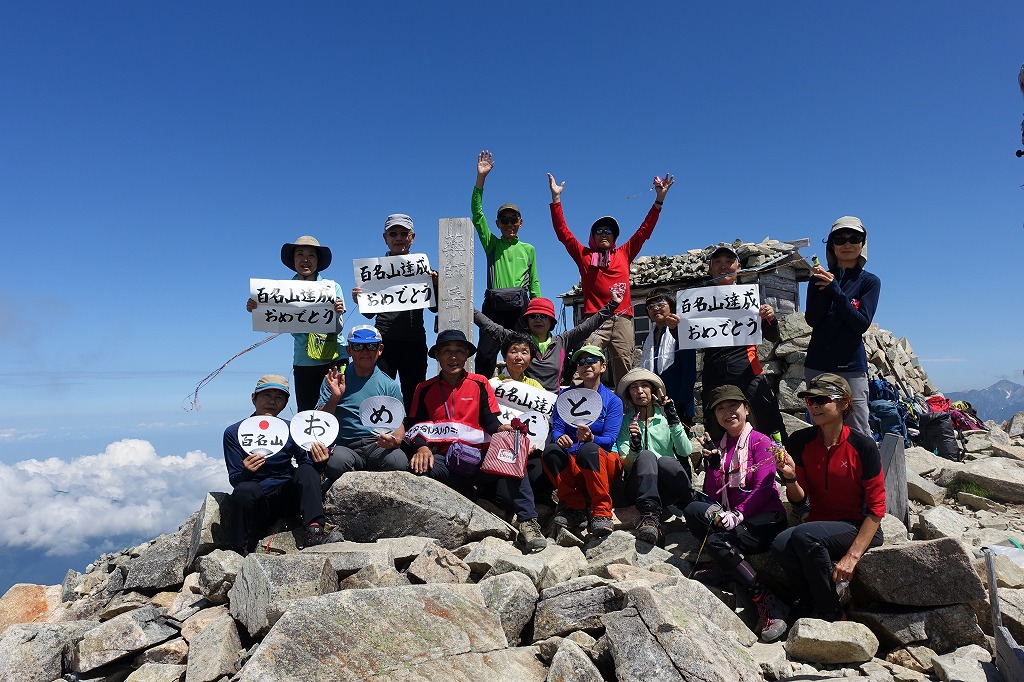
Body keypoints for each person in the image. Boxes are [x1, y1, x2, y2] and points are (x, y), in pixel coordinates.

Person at [402, 330, 546, 551]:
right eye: (447, 352)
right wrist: (422, 447)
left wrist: (501, 429)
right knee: (415, 467)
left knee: (512, 452)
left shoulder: (479, 383)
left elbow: (489, 418)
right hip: (443, 463)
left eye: (459, 351)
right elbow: (415, 426)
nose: (453, 357)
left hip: (479, 461)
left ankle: (527, 521)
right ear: (437, 356)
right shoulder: (424, 389)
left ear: (467, 355)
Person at [771, 373, 886, 622]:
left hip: (858, 526)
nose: (813, 406)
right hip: (819, 524)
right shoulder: (801, 441)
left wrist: (852, 556)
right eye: (810, 400)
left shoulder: (863, 446)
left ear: (844, 403)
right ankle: (808, 601)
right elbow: (800, 500)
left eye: (822, 400)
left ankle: (830, 610)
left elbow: (876, 508)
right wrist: (790, 478)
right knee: (780, 544)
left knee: (804, 535)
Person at [682, 385, 789, 643]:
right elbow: (715, 494)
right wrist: (713, 467)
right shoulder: (722, 447)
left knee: (718, 541)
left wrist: (739, 514)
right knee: (694, 510)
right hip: (736, 517)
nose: (727, 412)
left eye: (733, 406)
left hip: (765, 518)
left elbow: (765, 487)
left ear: (746, 409)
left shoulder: (762, 442)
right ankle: (725, 566)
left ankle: (766, 600)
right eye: (720, 408)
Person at [548, 171, 675, 388]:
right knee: (585, 362)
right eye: (599, 231)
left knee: (624, 367)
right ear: (593, 236)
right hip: (595, 319)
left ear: (615, 237)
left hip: (623, 318)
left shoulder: (624, 253)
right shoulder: (585, 256)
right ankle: (577, 406)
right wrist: (556, 200)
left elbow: (645, 231)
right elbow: (563, 234)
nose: (604, 234)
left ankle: (626, 412)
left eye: (609, 231)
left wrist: (659, 199)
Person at [223, 375, 341, 554]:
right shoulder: (234, 432)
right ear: (254, 398)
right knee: (245, 489)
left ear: (285, 403)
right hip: (256, 501)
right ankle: (239, 547)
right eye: (266, 395)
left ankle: (314, 530)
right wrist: (246, 471)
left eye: (279, 397)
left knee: (307, 470)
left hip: (287, 497)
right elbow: (235, 480)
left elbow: (306, 465)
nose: (272, 401)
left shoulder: (292, 429)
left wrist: (319, 461)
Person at [246, 236, 347, 412]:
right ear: (293, 260)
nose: (305, 259)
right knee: (307, 412)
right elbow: (271, 320)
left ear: (318, 260)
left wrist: (337, 313)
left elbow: (338, 328)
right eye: (300, 254)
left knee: (338, 408)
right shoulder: (281, 290)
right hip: (304, 360)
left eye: (311, 255)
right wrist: (257, 307)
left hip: (335, 357)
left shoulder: (332, 287)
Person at [700, 246, 786, 443]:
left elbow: (773, 336)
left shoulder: (750, 297)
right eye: (718, 262)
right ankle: (722, 471)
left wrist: (770, 319)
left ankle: (783, 468)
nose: (723, 266)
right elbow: (684, 337)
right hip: (713, 373)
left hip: (747, 369)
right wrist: (674, 326)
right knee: (716, 429)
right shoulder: (698, 302)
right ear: (710, 269)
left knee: (769, 423)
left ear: (738, 267)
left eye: (729, 261)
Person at [351, 214, 438, 412]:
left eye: (403, 233)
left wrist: (436, 284)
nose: (398, 237)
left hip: (414, 340)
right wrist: (359, 298)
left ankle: (413, 436)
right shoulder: (372, 271)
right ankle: (381, 436)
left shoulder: (424, 269)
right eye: (393, 233)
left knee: (414, 392)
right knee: (381, 391)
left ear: (412, 237)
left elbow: (434, 308)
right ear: (385, 238)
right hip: (384, 341)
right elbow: (368, 315)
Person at [804, 216, 881, 437]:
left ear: (862, 244)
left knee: (857, 427)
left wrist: (835, 291)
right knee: (821, 427)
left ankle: (864, 472)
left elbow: (860, 324)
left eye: (854, 238)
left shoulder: (869, 281)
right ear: (832, 245)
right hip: (818, 363)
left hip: (852, 366)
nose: (847, 244)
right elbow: (813, 320)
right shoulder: (816, 279)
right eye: (840, 239)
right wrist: (824, 289)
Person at [472, 150, 542, 379]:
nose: (509, 224)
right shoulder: (492, 243)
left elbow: (535, 282)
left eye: (514, 220)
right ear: (498, 223)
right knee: (484, 355)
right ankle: (482, 394)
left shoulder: (529, 249)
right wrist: (481, 179)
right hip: (493, 307)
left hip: (520, 308)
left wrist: (538, 309)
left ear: (521, 223)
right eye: (505, 220)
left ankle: (528, 396)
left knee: (524, 353)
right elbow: (477, 215)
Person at [543, 345, 624, 538]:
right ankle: (574, 507)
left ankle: (602, 512)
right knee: (551, 452)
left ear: (603, 366)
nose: (585, 365)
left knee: (589, 449)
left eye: (591, 361)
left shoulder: (613, 401)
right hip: (574, 464)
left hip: (601, 463)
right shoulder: (566, 396)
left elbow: (611, 439)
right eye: (581, 362)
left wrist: (592, 438)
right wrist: (558, 437)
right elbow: (558, 428)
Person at [473, 290, 622, 393]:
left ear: (551, 321)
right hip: (522, 402)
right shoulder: (517, 340)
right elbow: (489, 326)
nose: (538, 319)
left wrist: (612, 305)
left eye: (543, 316)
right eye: (533, 316)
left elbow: (588, 326)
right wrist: (466, 305)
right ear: (527, 320)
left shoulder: (562, 341)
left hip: (552, 404)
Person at [316, 325, 409, 489]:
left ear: (380, 349)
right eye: (358, 346)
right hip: (345, 445)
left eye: (371, 346)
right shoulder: (334, 380)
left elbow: (399, 426)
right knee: (335, 464)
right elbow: (320, 421)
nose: (365, 351)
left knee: (398, 461)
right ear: (349, 350)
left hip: (378, 445)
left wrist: (394, 441)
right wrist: (335, 398)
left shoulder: (389, 385)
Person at [614, 368, 694, 544]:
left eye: (644, 385)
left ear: (654, 391)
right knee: (647, 455)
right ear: (629, 394)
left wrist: (674, 421)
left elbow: (685, 451)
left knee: (666, 460)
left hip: (667, 485)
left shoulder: (666, 418)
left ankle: (690, 502)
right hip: (639, 487)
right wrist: (635, 449)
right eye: (634, 387)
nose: (640, 391)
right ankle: (650, 515)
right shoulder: (625, 422)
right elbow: (626, 465)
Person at [638, 288, 697, 425]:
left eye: (660, 304)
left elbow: (689, 368)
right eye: (651, 306)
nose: (655, 309)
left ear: (671, 306)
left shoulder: (681, 331)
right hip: (656, 400)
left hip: (678, 399)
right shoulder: (649, 337)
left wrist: (682, 400)